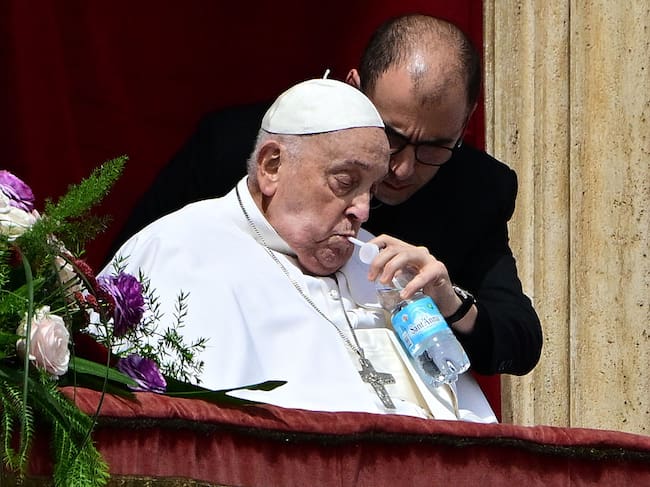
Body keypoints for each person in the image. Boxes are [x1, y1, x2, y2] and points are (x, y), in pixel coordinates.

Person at [109, 14, 542, 380]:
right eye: (391, 137)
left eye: (433, 148)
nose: (402, 169)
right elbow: (134, 277)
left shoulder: (477, 189)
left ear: (465, 127)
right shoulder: (233, 149)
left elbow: (520, 340)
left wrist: (449, 299)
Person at [102, 77, 497, 422]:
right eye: (345, 181)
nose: (362, 209)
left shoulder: (381, 269)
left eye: (370, 190)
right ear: (271, 166)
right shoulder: (176, 252)